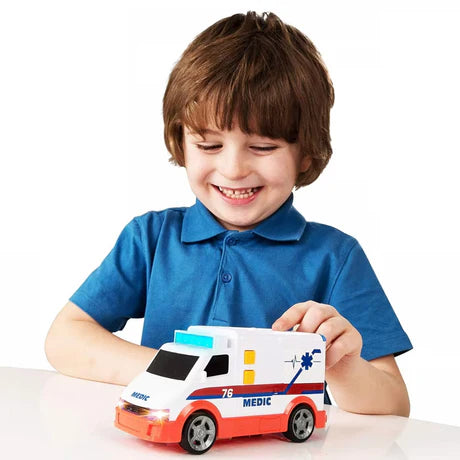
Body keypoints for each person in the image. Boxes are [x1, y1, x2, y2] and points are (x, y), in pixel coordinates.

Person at [45, 11, 412, 416]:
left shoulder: (335, 257)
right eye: (209, 145)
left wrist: (343, 367)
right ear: (181, 143)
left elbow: (394, 406)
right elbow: (64, 338)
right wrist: (182, 373)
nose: (233, 169)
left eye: (263, 147)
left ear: (305, 154)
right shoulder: (150, 239)